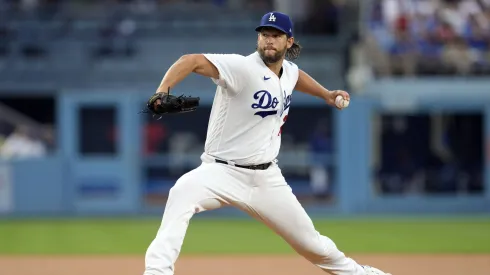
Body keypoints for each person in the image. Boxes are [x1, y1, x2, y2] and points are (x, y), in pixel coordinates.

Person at [143, 11, 392, 275]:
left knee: (312, 245)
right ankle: (157, 271)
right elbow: (190, 60)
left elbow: (295, 77)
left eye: (276, 35)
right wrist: (162, 90)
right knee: (181, 193)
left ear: (289, 41)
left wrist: (327, 95)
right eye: (264, 35)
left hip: (266, 179)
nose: (269, 40)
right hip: (220, 171)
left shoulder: (288, 72)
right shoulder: (242, 68)